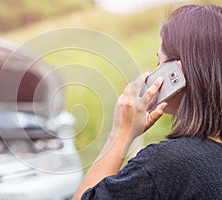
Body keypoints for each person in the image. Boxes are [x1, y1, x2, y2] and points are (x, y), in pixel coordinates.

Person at [73, 4, 222, 200]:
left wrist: (122, 133)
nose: (153, 74)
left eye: (160, 63)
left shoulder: (167, 164)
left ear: (178, 72)